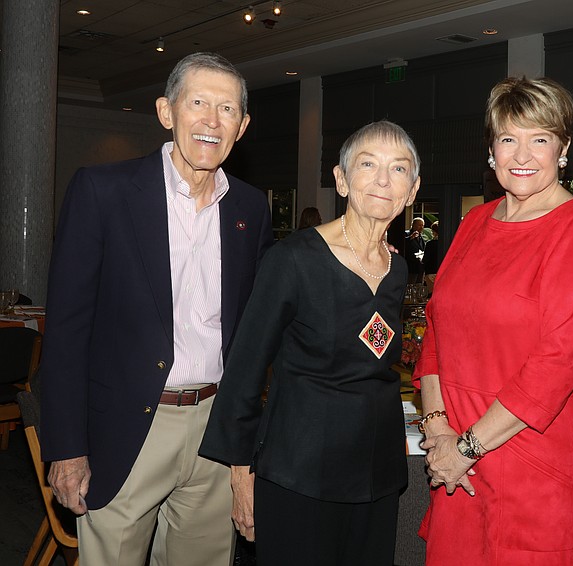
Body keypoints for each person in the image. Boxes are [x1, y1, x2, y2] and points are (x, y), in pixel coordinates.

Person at [39, 52, 273, 565]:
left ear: (243, 125)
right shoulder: (103, 192)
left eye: (227, 109)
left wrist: (364, 248)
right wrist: (67, 448)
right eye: (199, 104)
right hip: (126, 428)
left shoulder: (250, 209)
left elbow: (257, 324)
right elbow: (66, 334)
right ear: (167, 112)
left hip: (214, 428)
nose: (212, 121)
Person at [199, 120, 421, 565]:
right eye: (368, 164)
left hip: (376, 473)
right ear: (340, 179)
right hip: (300, 472)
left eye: (398, 169)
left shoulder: (397, 270)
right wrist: (242, 476)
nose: (383, 179)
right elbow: (244, 371)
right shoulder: (293, 259)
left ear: (412, 190)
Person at [413, 76, 573, 565]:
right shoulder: (474, 223)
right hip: (455, 447)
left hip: (528, 452)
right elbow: (436, 327)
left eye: (539, 139)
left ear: (563, 149)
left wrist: (467, 448)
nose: (522, 154)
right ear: (491, 150)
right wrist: (438, 433)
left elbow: (558, 360)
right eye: (508, 139)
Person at [404, 216, 426, 282]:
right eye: (419, 225)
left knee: (418, 286)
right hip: (410, 267)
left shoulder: (421, 237)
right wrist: (410, 237)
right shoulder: (406, 233)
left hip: (419, 267)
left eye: (422, 225)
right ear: (413, 225)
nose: (421, 227)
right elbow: (401, 244)